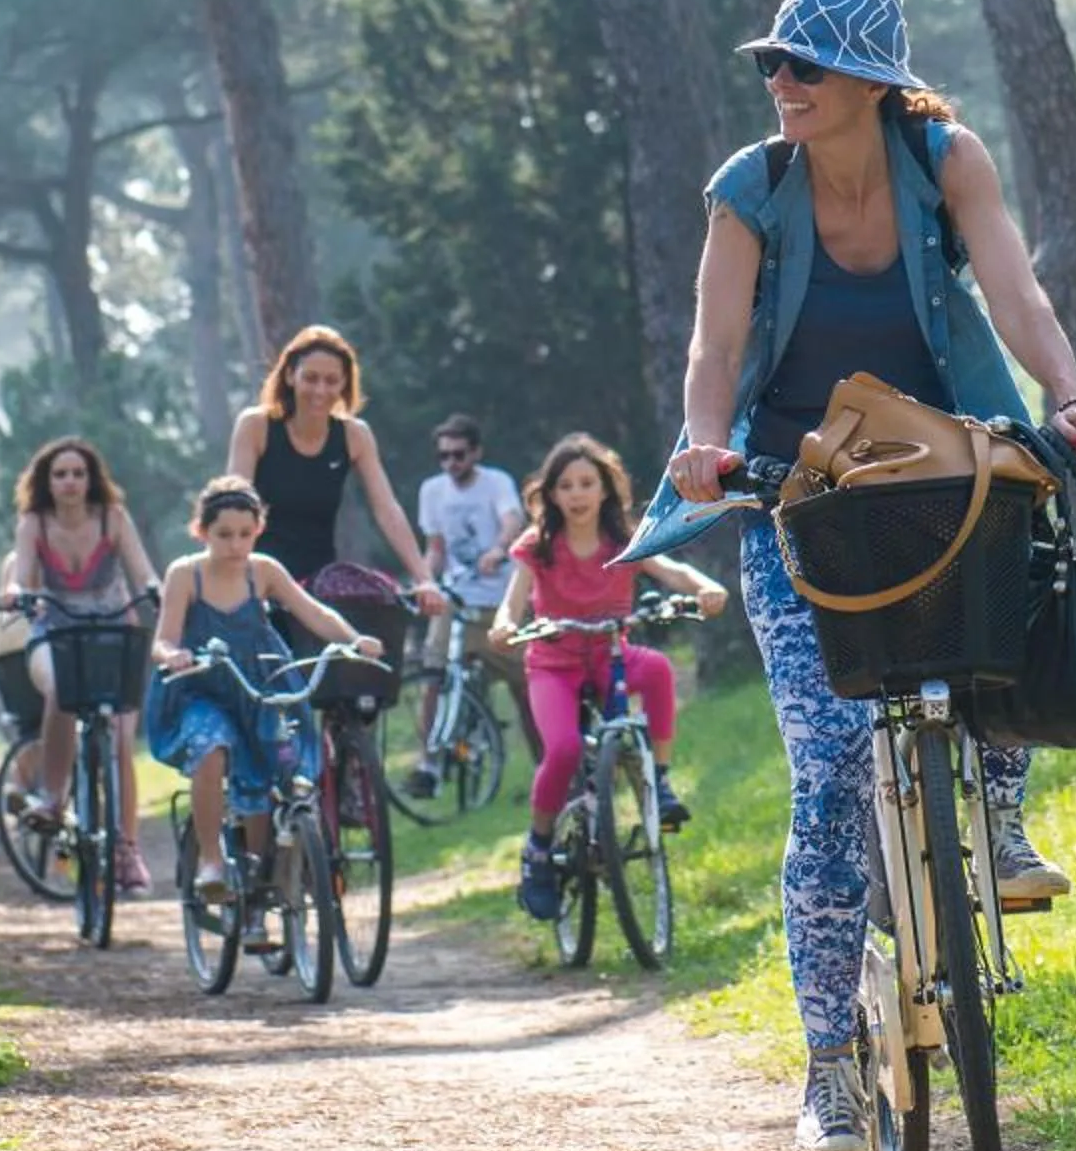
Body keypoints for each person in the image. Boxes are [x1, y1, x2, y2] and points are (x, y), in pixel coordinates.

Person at [621, 0, 1076, 1151]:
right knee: (833, 773)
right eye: (772, 65)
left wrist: (1069, 395)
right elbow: (714, 344)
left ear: (868, 82)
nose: (780, 82)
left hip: (941, 470)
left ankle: (998, 818)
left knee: (1006, 628)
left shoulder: (944, 159)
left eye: (802, 65)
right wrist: (705, 444)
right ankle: (830, 1067)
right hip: (796, 499)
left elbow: (1014, 290)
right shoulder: (752, 188)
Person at [488, 434, 724, 919]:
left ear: (605, 489)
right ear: (551, 494)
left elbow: (672, 571)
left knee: (657, 668)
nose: (577, 494)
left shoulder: (624, 539)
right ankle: (538, 850)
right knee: (564, 750)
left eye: (586, 483)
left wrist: (704, 586)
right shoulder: (537, 545)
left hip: (611, 656)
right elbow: (511, 603)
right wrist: (504, 626)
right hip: (553, 664)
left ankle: (659, 780)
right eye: (566, 485)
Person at [147, 477, 385, 904]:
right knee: (211, 747)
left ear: (258, 529)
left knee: (267, 771)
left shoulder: (264, 571)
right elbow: (163, 639)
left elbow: (314, 612)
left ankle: (261, 881)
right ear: (201, 531)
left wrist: (353, 640)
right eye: (224, 535)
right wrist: (174, 655)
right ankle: (211, 862)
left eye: (245, 534)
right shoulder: (185, 575)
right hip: (202, 688)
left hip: (260, 685)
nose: (235, 545)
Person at [0, 438, 161, 895]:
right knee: (60, 688)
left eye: (78, 473)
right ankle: (52, 798)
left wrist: (155, 588)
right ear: (46, 482)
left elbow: (143, 570)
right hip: (54, 633)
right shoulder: (34, 524)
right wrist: (15, 594)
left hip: (114, 636)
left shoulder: (113, 519)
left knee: (121, 743)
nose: (70, 482)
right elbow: (20, 575)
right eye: (60, 474)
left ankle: (127, 850)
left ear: (92, 479)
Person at [224, 325, 447, 618]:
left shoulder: (354, 435)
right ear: (290, 376)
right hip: (256, 580)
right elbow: (232, 505)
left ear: (344, 385)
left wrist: (424, 579)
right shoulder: (256, 426)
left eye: (331, 381)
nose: (320, 390)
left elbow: (386, 509)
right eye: (311, 378)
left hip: (318, 587)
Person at [402, 412, 529, 799]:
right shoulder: (432, 491)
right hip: (456, 595)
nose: (451, 463)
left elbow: (512, 520)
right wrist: (424, 580)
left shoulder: (496, 483)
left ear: (476, 452)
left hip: (499, 598)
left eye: (458, 455)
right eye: (443, 456)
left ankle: (548, 765)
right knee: (434, 672)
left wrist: (498, 549)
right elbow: (436, 547)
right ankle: (428, 763)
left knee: (524, 683)